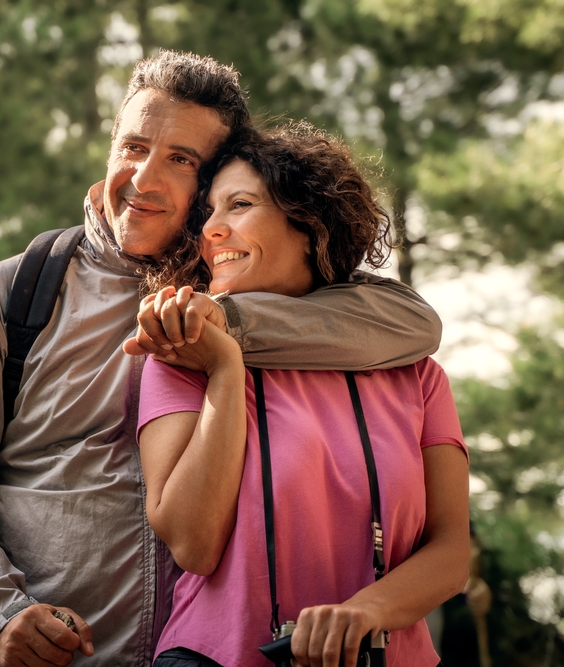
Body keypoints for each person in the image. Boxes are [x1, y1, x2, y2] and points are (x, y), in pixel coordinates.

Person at [0, 50, 444, 667]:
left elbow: (412, 322)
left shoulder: (245, 281)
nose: (143, 179)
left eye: (181, 160)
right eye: (133, 147)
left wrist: (220, 321)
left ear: (213, 179)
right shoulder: (16, 293)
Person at [136, 123, 470, 667]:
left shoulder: (416, 375)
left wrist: (366, 613)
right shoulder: (183, 358)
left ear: (310, 222)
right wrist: (225, 367)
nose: (212, 231)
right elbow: (193, 543)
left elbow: (451, 552)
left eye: (238, 205)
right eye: (208, 215)